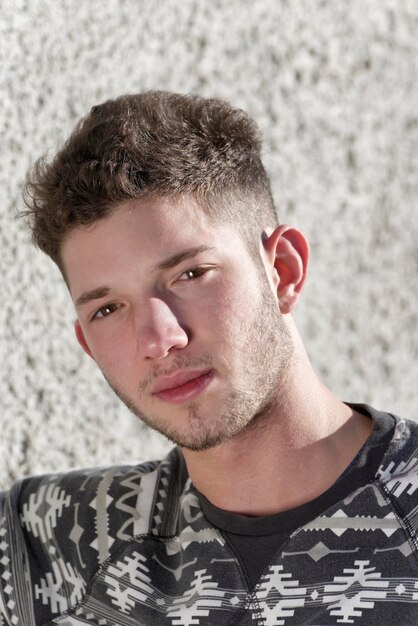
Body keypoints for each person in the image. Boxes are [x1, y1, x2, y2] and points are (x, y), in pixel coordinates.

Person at [0, 91, 417, 626]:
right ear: (86, 342)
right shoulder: (58, 541)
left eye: (190, 275)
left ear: (282, 271)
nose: (157, 338)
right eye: (107, 309)